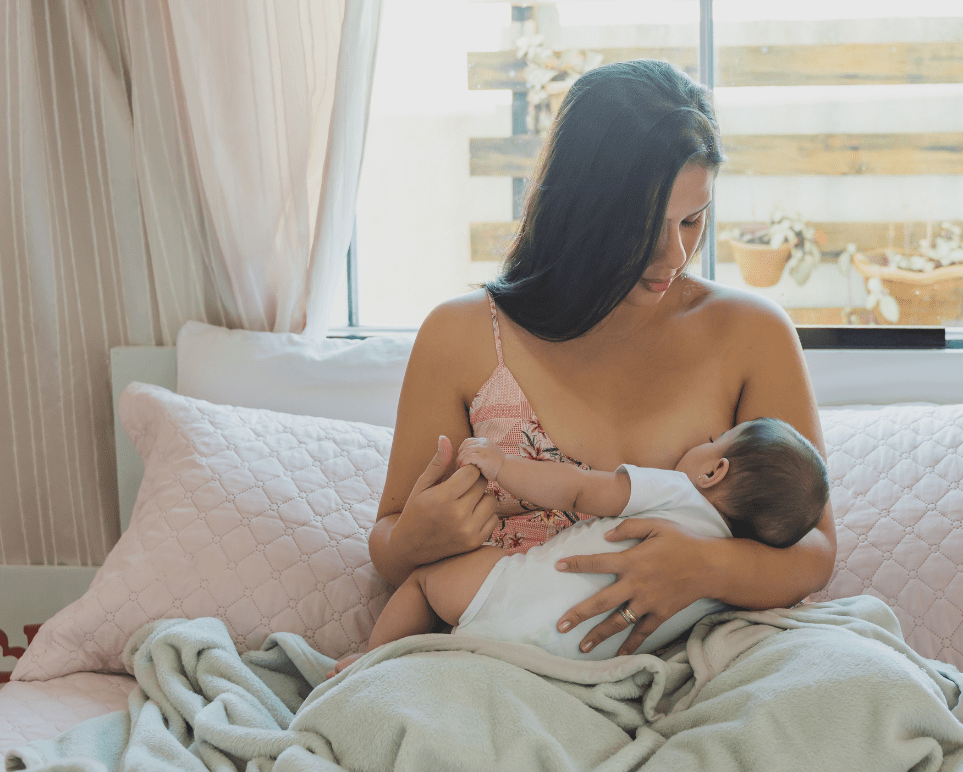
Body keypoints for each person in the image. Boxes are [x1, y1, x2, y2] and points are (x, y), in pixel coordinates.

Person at [366, 58, 837, 666]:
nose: (675, 253)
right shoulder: (460, 336)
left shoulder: (753, 334)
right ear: (580, 212)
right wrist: (414, 538)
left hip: (695, 666)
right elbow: (387, 543)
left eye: (693, 220)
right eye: (644, 226)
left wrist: (705, 566)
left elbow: (815, 551)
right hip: (499, 665)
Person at [330, 418, 829, 674]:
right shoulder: (729, 588)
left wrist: (503, 466)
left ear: (714, 470)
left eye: (716, 439)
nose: (704, 439)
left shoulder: (675, 490)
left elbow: (578, 488)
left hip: (508, 595)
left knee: (425, 581)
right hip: (568, 667)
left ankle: (372, 662)